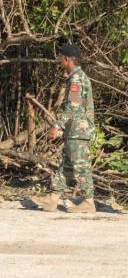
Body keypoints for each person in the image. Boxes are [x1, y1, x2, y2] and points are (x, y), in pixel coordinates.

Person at [31, 44, 97, 213]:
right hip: (74, 130)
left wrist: (57, 125)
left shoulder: (76, 80)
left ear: (67, 59)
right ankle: (52, 199)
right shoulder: (76, 77)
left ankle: (89, 202)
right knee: (65, 165)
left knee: (80, 166)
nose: (59, 60)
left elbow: (72, 107)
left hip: (79, 130)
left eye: (60, 57)